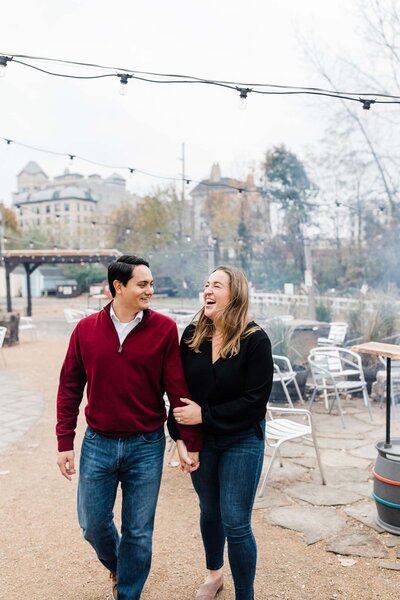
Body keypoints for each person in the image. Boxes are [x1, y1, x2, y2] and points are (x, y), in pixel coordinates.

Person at [56, 255, 201, 600]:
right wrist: (64, 442)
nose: (150, 290)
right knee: (92, 524)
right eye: (143, 284)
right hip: (98, 443)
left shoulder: (164, 329)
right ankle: (122, 567)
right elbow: (69, 387)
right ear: (118, 287)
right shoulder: (86, 330)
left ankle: (128, 592)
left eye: (150, 283)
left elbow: (177, 389)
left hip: (145, 445)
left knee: (139, 531)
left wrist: (187, 441)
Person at [169, 265, 273, 600]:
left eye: (217, 285)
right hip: (203, 441)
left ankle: (245, 594)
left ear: (235, 294)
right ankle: (214, 576)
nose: (207, 291)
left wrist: (205, 415)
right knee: (209, 511)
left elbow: (254, 402)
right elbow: (177, 390)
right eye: (206, 285)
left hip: (243, 438)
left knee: (235, 521)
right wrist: (180, 438)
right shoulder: (192, 336)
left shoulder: (255, 340)